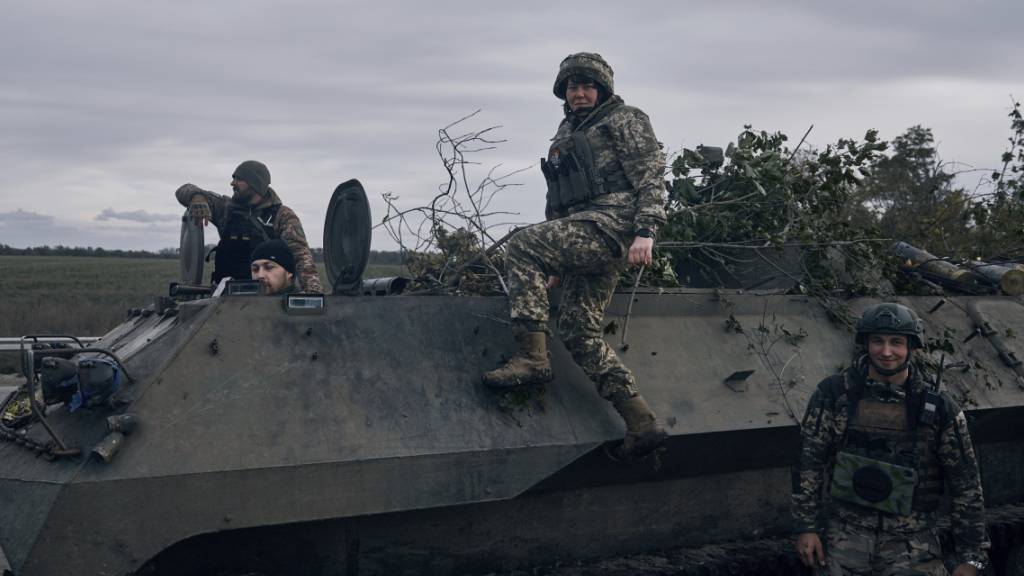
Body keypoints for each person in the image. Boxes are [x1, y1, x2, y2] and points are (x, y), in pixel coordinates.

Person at [482, 52, 669, 460]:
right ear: (563, 93)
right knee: (578, 330)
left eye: (587, 86)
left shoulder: (625, 119)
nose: (580, 93)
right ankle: (641, 421)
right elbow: (560, 201)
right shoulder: (567, 131)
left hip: (613, 225)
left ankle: (533, 358)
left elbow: (651, 175)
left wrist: (646, 232)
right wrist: (555, 264)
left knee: (522, 243)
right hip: (585, 229)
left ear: (601, 89)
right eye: (572, 86)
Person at [792, 303, 989, 575]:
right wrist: (806, 527)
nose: (886, 352)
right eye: (877, 341)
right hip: (845, 539)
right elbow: (807, 464)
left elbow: (966, 485)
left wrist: (972, 557)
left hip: (913, 546)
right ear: (866, 344)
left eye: (896, 342)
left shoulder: (939, 409)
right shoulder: (835, 395)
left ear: (911, 347)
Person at [176, 160, 323, 292]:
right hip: (226, 296)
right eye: (233, 178)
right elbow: (183, 190)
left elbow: (300, 255)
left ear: (255, 183)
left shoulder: (282, 215)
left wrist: (313, 290)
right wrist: (196, 197)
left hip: (267, 297)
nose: (232, 183)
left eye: (238, 179)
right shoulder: (226, 208)